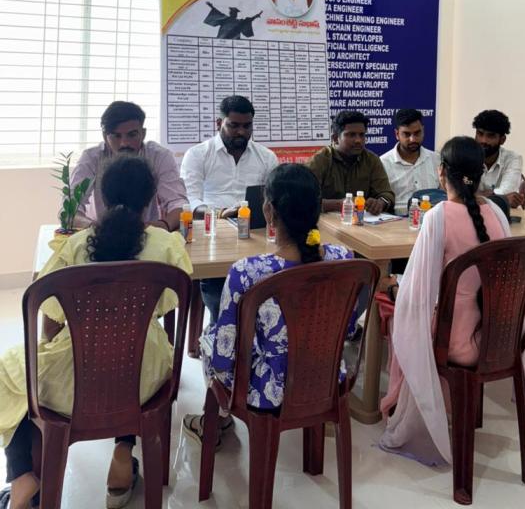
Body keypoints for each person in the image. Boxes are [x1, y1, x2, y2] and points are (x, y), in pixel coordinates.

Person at [0, 156, 192, 509]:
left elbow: (50, 309)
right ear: (150, 199)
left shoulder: (75, 245)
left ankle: (22, 475)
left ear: (102, 197)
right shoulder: (167, 245)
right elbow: (169, 302)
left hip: (77, 379)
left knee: (10, 374)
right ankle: (123, 452)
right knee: (131, 359)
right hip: (145, 376)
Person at [379, 136, 525, 467]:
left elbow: (419, 292)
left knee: (393, 309)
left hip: (457, 341)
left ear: (441, 172)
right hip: (499, 336)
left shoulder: (439, 216)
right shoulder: (497, 212)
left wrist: (394, 288)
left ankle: (409, 405)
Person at [183, 163, 354, 445]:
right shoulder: (344, 258)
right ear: (318, 209)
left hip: (268, 391)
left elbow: (224, 357)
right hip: (326, 377)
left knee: (209, 338)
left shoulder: (247, 272)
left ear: (269, 211)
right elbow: (349, 327)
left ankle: (215, 421)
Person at [180, 95, 278, 322]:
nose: (241, 132)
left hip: (255, 233)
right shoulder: (197, 154)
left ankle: (253, 334)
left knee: (271, 292)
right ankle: (221, 331)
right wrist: (220, 214)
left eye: (247, 126)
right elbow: (190, 200)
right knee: (220, 299)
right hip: (213, 233)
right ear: (219, 123)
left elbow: (274, 198)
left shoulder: (266, 157)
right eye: (234, 126)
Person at [72, 101, 187, 231]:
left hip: (148, 233)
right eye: (116, 136)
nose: (124, 143)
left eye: (132, 135)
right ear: (105, 136)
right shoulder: (91, 158)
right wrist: (96, 229)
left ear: (143, 133)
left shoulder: (159, 156)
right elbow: (70, 210)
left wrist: (162, 226)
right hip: (100, 234)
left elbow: (179, 204)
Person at [307, 110, 394, 214]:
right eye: (351, 135)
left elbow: (386, 194)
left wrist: (380, 203)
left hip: (362, 221)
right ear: (335, 138)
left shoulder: (371, 160)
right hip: (326, 221)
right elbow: (303, 200)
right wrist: (338, 204)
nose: (358, 140)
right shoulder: (320, 160)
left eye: (362, 135)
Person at [380, 108, 441, 212]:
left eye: (417, 133)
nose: (413, 139)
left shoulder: (436, 159)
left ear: (423, 130)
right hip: (396, 219)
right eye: (406, 134)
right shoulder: (383, 163)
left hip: (431, 217)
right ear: (397, 134)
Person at [472, 109, 524, 209]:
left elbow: (507, 191)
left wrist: (473, 196)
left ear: (502, 140)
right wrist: (501, 198)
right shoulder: (465, 155)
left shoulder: (513, 159)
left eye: (490, 136)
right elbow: (457, 191)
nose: (483, 140)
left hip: (503, 214)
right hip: (472, 213)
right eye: (480, 134)